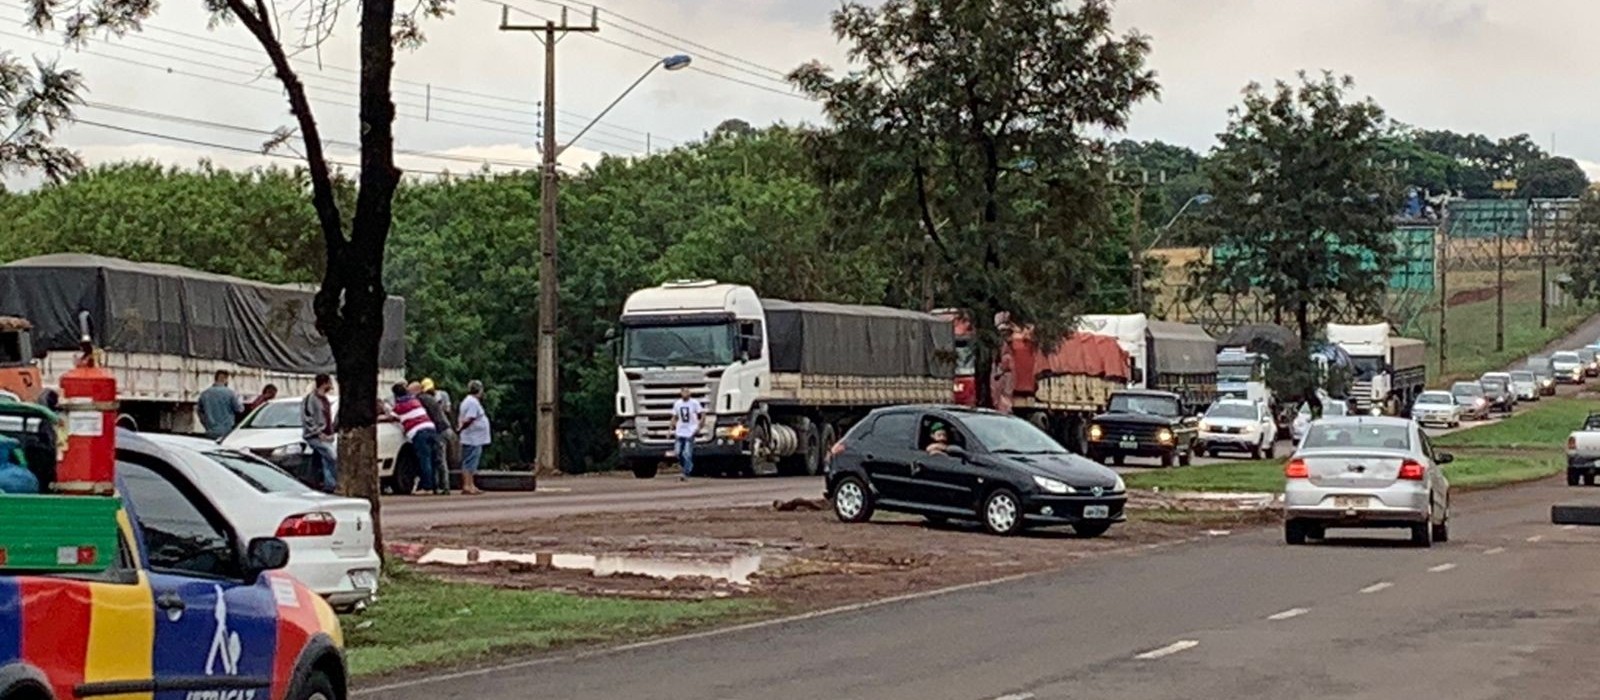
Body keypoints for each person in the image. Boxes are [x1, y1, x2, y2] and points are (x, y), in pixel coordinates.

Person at [394, 382, 442, 495]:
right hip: (431, 428)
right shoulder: (415, 401)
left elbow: (391, 416)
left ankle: (427, 487)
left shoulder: (399, 406)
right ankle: (436, 486)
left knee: (424, 460)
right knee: (433, 459)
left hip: (419, 433)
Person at [302, 374, 338, 493]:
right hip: (315, 436)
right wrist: (318, 433)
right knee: (332, 456)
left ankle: (328, 484)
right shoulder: (310, 399)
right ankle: (334, 482)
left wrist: (330, 432)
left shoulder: (325, 399)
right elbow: (308, 418)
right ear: (324, 383)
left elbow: (328, 418)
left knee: (326, 459)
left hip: (327, 435)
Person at [417, 380, 453, 495]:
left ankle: (443, 486)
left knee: (440, 460)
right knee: (440, 459)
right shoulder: (437, 398)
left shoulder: (423, 399)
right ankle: (441, 486)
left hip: (440, 431)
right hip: (446, 429)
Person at [456, 380, 491, 496]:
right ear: (479, 390)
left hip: (475, 437)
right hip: (472, 437)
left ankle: (471, 484)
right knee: (469, 461)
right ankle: (467, 485)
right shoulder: (472, 402)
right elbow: (470, 418)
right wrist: (461, 428)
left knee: (472, 461)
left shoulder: (470, 401)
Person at [669, 387, 704, 481]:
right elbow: (674, 417)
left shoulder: (694, 403)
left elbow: (702, 415)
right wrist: (670, 429)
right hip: (680, 431)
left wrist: (699, 427)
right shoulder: (677, 403)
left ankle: (686, 472)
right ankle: (686, 466)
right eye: (683, 392)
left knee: (687, 453)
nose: (685, 394)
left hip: (690, 431)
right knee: (678, 452)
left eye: (687, 392)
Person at [197, 370, 244, 440]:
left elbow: (200, 412)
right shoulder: (231, 393)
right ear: (224, 379)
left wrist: (206, 425)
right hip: (227, 431)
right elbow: (240, 409)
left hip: (210, 431)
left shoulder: (204, 394)